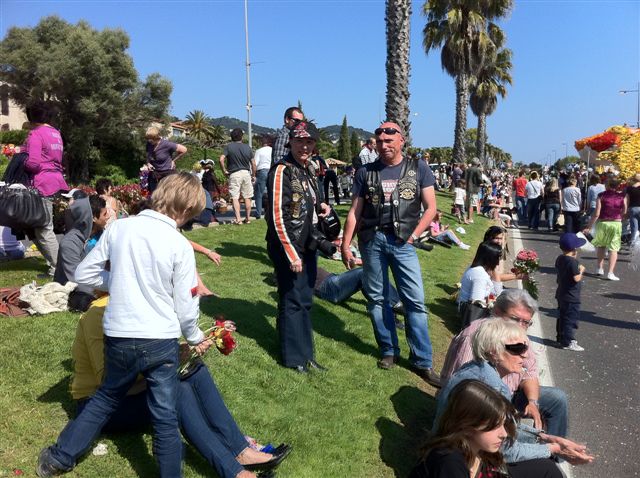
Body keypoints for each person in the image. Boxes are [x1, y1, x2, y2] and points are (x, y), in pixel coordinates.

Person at [36, 173, 212, 478]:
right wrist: (194, 335)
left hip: (120, 334)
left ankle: (58, 459)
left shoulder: (119, 228)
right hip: (161, 339)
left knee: (106, 397)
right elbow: (186, 304)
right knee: (165, 415)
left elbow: (84, 273)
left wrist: (117, 281)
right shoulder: (179, 244)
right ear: (185, 210)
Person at [69, 297, 290, 478]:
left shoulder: (139, 305)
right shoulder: (99, 314)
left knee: (195, 369)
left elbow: (148, 355)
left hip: (133, 392)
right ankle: (235, 473)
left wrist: (181, 352)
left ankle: (240, 449)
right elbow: (111, 386)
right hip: (100, 406)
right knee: (177, 390)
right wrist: (168, 365)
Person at [341, 121, 440, 387]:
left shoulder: (419, 168)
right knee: (377, 299)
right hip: (372, 241)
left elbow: (431, 207)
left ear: (401, 141)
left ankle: (422, 361)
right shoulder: (366, 172)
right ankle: (388, 350)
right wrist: (345, 244)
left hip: (403, 243)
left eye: (389, 141)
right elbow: (355, 211)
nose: (384, 146)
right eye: (380, 141)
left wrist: (414, 235)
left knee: (415, 301)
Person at [438, 319, 594, 475]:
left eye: (525, 347)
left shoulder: (474, 367)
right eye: (517, 349)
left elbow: (502, 428)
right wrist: (553, 448)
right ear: (493, 351)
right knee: (549, 470)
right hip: (464, 460)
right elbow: (506, 451)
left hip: (451, 446)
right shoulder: (494, 388)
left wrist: (544, 437)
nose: (524, 355)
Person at [442, 289, 569, 438]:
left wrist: (532, 402)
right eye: (515, 319)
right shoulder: (475, 337)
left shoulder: (517, 336)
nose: (521, 326)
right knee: (532, 439)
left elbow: (530, 373)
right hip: (480, 404)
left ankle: (555, 448)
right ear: (496, 311)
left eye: (526, 322)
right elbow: (463, 389)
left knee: (557, 398)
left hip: (508, 395)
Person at [266, 120, 330, 373]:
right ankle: (294, 358)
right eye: (300, 141)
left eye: (309, 141)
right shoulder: (281, 170)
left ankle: (307, 354)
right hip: (288, 246)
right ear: (290, 142)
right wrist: (291, 253)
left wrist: (321, 207)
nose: (305, 146)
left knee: (305, 300)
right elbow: (276, 216)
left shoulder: (308, 169)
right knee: (292, 300)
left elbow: (307, 202)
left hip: (308, 243)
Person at [410, 379, 517, 478]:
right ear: (468, 425)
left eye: (503, 424)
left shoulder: (479, 452)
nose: (504, 434)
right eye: (495, 426)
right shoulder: (449, 463)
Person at [24, 100, 69, 276]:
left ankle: (58, 268)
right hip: (55, 181)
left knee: (44, 227)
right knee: (37, 226)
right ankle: (54, 265)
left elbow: (33, 163)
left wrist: (22, 162)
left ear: (31, 117)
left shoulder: (35, 134)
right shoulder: (56, 133)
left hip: (42, 183)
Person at [53, 195, 110, 312]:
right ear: (93, 218)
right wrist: (103, 289)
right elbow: (77, 279)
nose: (108, 216)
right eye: (104, 214)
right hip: (74, 288)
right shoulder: (69, 243)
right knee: (86, 301)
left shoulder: (102, 235)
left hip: (97, 283)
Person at [583, 177, 627, 280]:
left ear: (607, 185)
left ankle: (599, 268)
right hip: (616, 223)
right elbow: (624, 211)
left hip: (602, 223)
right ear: (618, 185)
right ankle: (610, 272)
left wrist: (589, 226)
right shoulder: (622, 196)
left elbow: (596, 213)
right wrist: (619, 217)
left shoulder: (601, 195)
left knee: (601, 246)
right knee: (614, 248)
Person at [457, 242, 504, 324]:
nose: (498, 263)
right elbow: (476, 303)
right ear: (490, 258)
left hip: (463, 308)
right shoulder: (480, 276)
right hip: (472, 315)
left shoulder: (474, 267)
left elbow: (494, 292)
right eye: (497, 258)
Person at [555, 233, 587, 351]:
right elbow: (576, 278)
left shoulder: (560, 258)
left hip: (561, 293)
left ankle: (560, 338)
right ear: (574, 250)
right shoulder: (573, 262)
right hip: (571, 296)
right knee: (570, 319)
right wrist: (581, 270)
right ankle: (568, 341)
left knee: (562, 317)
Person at [220, 128, 255, 225]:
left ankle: (238, 219)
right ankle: (247, 219)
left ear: (231, 137)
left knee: (235, 197)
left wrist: (224, 171)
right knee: (247, 197)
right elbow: (253, 163)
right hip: (246, 173)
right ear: (241, 137)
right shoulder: (247, 147)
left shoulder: (228, 147)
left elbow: (221, 159)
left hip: (234, 173)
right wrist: (253, 175)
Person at [145, 126, 187, 193]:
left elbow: (184, 150)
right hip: (155, 175)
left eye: (151, 138)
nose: (149, 140)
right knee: (154, 195)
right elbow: (148, 154)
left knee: (167, 196)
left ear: (157, 137)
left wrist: (173, 160)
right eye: (148, 138)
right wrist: (148, 163)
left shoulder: (167, 144)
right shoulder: (149, 144)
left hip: (167, 175)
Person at [253, 135, 273, 219]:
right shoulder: (273, 150)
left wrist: (253, 174)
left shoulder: (259, 151)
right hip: (271, 170)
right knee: (271, 192)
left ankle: (258, 213)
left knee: (259, 193)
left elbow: (255, 163)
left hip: (262, 171)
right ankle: (271, 211)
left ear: (262, 142)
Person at [464, 158, 483, 223]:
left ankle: (468, 217)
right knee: (471, 204)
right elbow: (480, 180)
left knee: (468, 204)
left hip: (467, 188)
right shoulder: (477, 170)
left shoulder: (467, 169)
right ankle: (470, 218)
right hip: (474, 189)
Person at [625, 173, 640, 245]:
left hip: (633, 208)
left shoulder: (629, 188)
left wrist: (626, 210)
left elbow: (627, 200)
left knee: (634, 227)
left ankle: (633, 243)